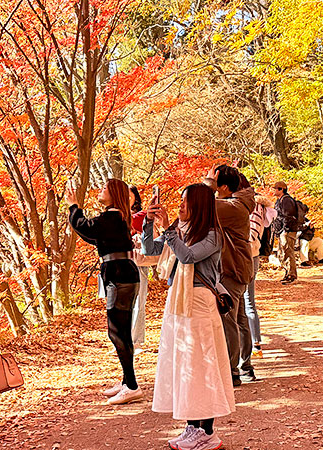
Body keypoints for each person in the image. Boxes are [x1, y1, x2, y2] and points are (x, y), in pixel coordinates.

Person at [141, 184, 235, 450]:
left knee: (202, 365)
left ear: (199, 205)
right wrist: (150, 223)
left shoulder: (213, 235)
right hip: (178, 302)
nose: (180, 206)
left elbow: (188, 256)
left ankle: (207, 431)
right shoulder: (180, 231)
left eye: (185, 202)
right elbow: (150, 251)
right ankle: (191, 427)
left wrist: (169, 229)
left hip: (200, 303)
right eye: (180, 200)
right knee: (185, 366)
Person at [67, 179, 142, 405]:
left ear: (114, 194)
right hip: (122, 274)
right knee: (121, 331)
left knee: (117, 332)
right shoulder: (116, 218)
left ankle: (131, 385)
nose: (100, 191)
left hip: (119, 277)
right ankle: (127, 380)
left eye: (104, 189)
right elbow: (92, 235)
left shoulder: (112, 216)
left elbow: (84, 226)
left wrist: (74, 206)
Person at [203, 165, 256, 385]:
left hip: (231, 269)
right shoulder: (237, 203)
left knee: (228, 321)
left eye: (215, 184)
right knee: (240, 319)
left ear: (223, 187)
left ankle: (232, 371)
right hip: (237, 268)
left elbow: (200, 205)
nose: (213, 189)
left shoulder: (232, 207)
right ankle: (244, 366)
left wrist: (206, 184)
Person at [242, 176, 276, 360]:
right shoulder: (260, 206)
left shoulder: (254, 206)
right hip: (252, 256)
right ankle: (253, 343)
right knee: (248, 302)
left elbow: (251, 234)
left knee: (247, 302)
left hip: (247, 257)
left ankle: (254, 344)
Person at [129, 186, 155, 355]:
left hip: (138, 262)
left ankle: (136, 341)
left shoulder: (140, 215)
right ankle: (126, 340)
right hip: (122, 263)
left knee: (139, 302)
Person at [272, 181, 299, 283]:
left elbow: (288, 217)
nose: (274, 190)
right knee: (282, 253)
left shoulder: (287, 201)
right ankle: (287, 273)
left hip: (287, 231)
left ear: (281, 189)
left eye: (275, 188)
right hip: (282, 231)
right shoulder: (280, 201)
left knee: (288, 252)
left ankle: (291, 275)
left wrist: (285, 230)